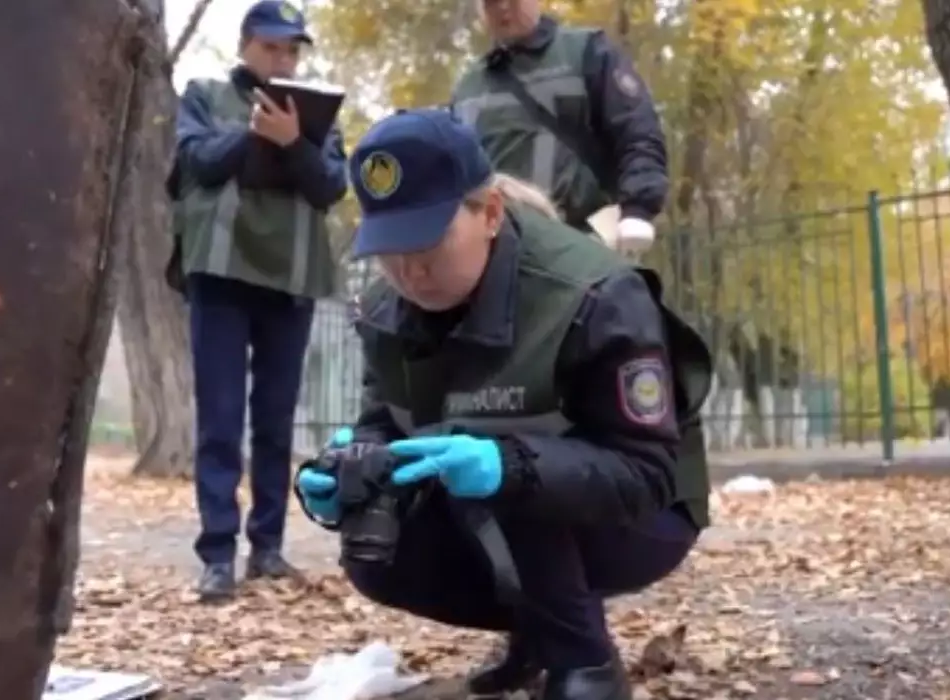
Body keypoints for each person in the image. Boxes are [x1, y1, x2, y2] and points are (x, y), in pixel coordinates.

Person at [292, 109, 713, 700]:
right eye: (389, 247)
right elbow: (386, 417)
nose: (408, 270)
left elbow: (647, 473)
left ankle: (585, 664)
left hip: (646, 517)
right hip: (521, 505)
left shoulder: (595, 296)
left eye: (427, 241)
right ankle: (536, 631)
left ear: (489, 213)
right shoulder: (388, 311)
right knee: (376, 553)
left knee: (507, 478)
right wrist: (355, 466)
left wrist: (506, 463)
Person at [172, 0, 348, 602]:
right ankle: (217, 554)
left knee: (275, 420)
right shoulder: (203, 94)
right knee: (220, 419)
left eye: (293, 48)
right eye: (273, 46)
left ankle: (267, 548)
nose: (284, 57)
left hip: (291, 277)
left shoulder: (320, 112)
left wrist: (295, 141)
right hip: (219, 272)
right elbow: (194, 160)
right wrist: (252, 134)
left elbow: (330, 186)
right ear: (246, 44)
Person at [450, 0, 668, 256]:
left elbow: (637, 130)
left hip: (585, 242)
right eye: (491, 2)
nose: (502, 8)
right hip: (500, 250)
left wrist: (638, 208)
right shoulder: (468, 87)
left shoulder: (587, 52)